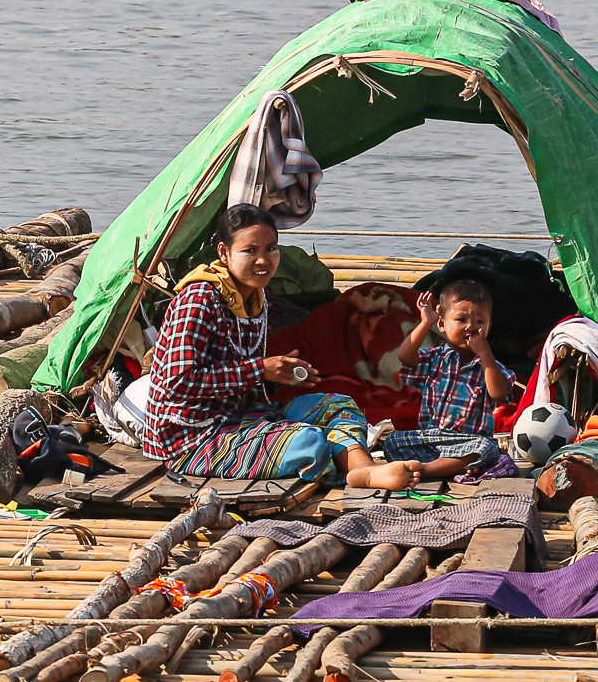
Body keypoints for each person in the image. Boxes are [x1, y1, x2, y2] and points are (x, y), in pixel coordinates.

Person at [142, 205, 421, 489]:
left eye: (271, 248)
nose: (263, 260)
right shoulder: (199, 300)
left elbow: (248, 377)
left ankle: (364, 470)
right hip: (191, 438)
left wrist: (280, 373)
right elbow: (178, 382)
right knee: (309, 442)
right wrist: (260, 370)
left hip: (243, 416)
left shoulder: (256, 297)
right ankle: (336, 462)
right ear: (224, 253)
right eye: (250, 251)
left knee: (339, 405)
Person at [385, 280, 516, 479]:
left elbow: (498, 393)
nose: (470, 327)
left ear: (489, 326)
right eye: (461, 319)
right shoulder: (435, 359)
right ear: (442, 324)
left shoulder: (491, 367)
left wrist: (485, 354)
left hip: (468, 441)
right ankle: (452, 467)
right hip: (431, 438)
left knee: (487, 447)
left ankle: (425, 471)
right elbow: (405, 357)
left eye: (480, 322)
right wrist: (425, 323)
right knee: (392, 442)